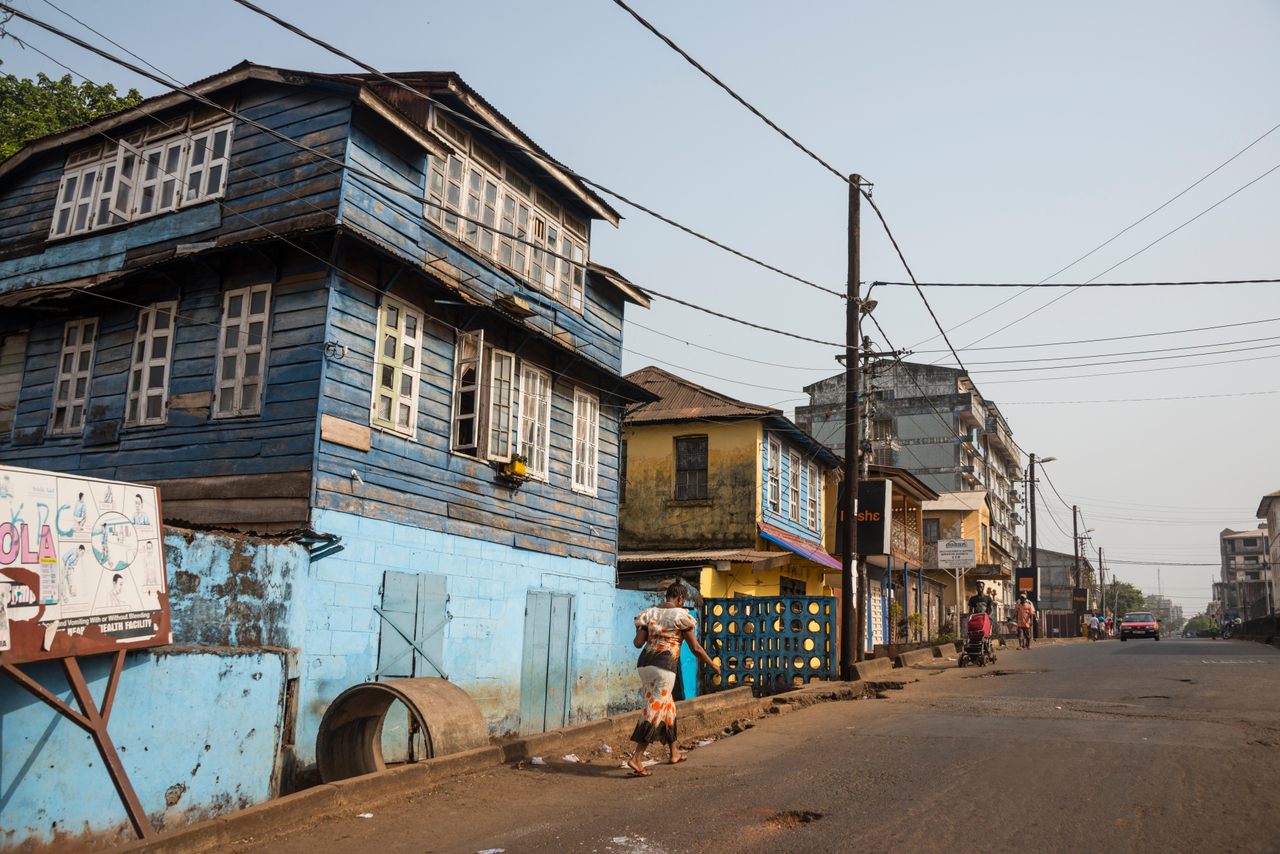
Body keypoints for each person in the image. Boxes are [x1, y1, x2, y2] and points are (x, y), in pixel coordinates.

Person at [626, 582, 720, 777]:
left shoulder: (650, 613)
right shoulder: (681, 616)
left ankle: (674, 752)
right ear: (680, 599)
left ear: (667, 595)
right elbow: (695, 648)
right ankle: (637, 757)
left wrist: (646, 629)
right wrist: (712, 664)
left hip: (644, 664)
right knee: (653, 711)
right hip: (664, 667)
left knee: (668, 707)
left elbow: (637, 643)